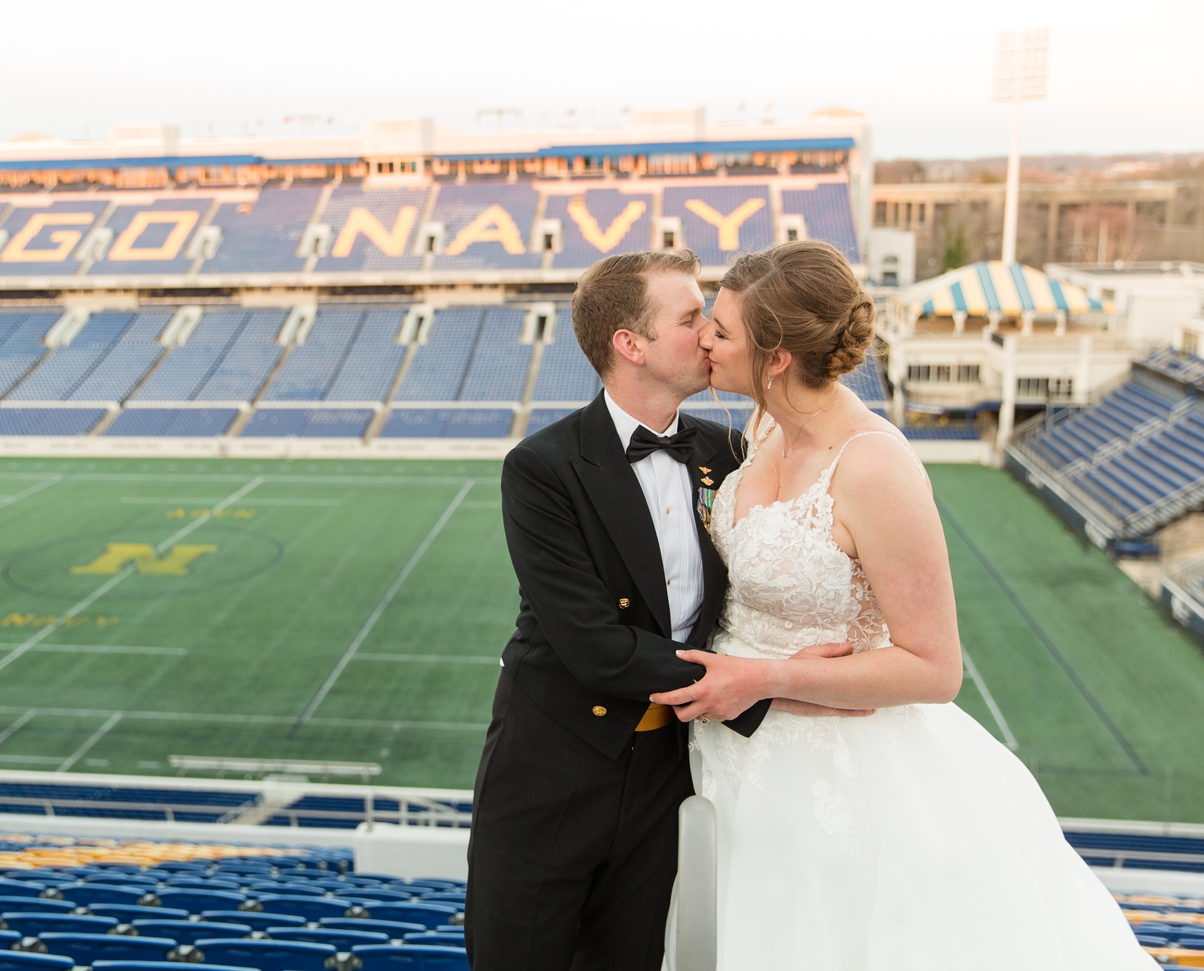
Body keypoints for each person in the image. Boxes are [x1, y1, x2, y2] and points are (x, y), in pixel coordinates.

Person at [652, 240, 1153, 969]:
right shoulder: (764, 425)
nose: (703, 338)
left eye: (722, 331)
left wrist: (765, 679)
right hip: (727, 755)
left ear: (778, 356)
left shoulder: (876, 467)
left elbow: (934, 666)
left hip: (837, 770)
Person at [465, 250, 836, 970]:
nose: (707, 334)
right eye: (690, 317)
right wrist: (766, 681)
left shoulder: (731, 452)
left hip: (672, 774)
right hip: (551, 772)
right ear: (630, 345)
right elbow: (596, 648)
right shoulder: (542, 469)